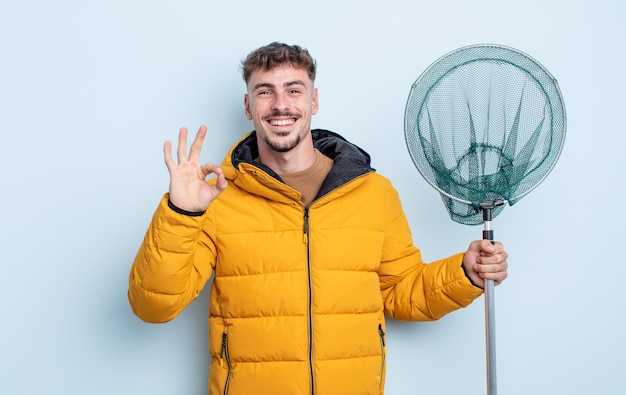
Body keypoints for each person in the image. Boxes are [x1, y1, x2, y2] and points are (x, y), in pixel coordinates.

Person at [128, 42, 509, 395]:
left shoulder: (373, 193)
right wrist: (181, 213)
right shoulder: (219, 197)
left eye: (293, 90)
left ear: (314, 100)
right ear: (248, 106)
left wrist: (464, 274)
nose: (280, 104)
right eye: (265, 91)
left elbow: (401, 292)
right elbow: (154, 307)